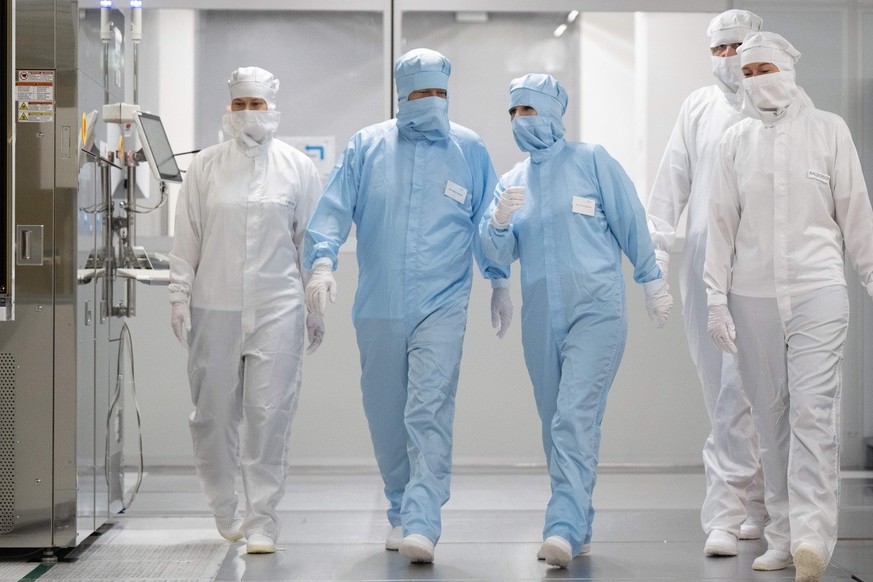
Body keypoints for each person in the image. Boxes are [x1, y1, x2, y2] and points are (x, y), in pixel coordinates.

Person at [302, 48, 512, 564]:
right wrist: (322, 264)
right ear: (401, 95)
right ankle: (400, 507)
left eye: (440, 92)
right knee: (384, 413)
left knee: (428, 407)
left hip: (441, 303)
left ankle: (422, 520)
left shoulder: (468, 149)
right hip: (377, 303)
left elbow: (488, 223)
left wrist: (499, 276)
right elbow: (332, 209)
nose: (432, 103)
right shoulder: (367, 146)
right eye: (421, 93)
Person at [479, 73, 673, 569]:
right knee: (557, 424)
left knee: (573, 417)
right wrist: (498, 223)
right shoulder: (512, 182)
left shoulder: (592, 161)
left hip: (597, 312)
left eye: (529, 110)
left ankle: (561, 527)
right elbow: (496, 251)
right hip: (541, 318)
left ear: (554, 113)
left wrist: (652, 280)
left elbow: (630, 218)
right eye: (514, 112)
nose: (521, 121)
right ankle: (578, 519)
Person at [704, 32, 873, 582]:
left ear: (789, 69)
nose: (756, 80)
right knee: (769, 416)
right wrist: (714, 299)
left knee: (813, 413)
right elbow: (722, 225)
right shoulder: (735, 140)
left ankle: (811, 538)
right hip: (751, 297)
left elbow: (855, 212)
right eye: (746, 73)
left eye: (765, 69)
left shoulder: (828, 131)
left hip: (817, 289)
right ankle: (780, 533)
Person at [169, 66, 324, 555]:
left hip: (278, 308)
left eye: (257, 104)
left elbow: (312, 241)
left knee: (269, 415)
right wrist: (178, 293)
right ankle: (223, 506)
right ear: (228, 108)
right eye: (240, 104)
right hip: (214, 306)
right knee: (212, 415)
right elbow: (187, 237)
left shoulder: (298, 168)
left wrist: (316, 293)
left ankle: (263, 520)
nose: (248, 113)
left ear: (273, 107)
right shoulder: (205, 168)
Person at [646, 9, 767, 557]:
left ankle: (725, 511)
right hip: (700, 265)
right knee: (719, 387)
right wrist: (654, 252)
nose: (726, 60)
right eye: (717, 50)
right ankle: (756, 503)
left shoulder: (781, 103)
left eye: (735, 47)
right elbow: (672, 180)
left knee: (743, 391)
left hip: (761, 267)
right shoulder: (697, 107)